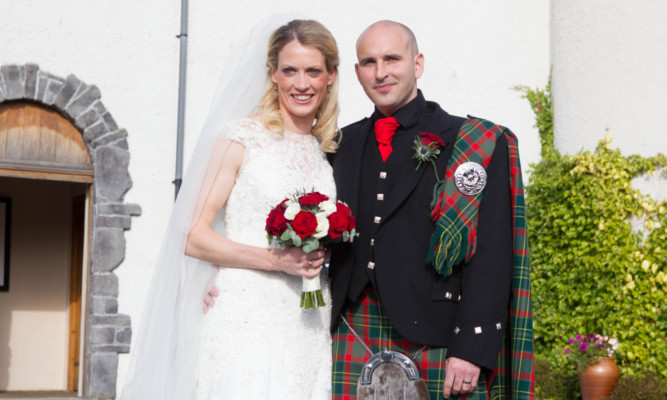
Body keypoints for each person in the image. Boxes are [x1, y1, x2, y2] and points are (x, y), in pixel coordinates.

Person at [121, 16, 339, 399]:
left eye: (312, 71)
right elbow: (191, 236)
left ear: (331, 76)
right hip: (246, 317)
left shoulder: (329, 150)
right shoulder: (241, 138)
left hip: (309, 320)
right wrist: (275, 259)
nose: (301, 84)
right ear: (272, 74)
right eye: (289, 70)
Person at [328, 21, 534, 399]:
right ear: (357, 73)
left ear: (417, 64)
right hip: (351, 326)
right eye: (369, 62)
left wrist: (471, 350)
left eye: (393, 59)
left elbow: (491, 254)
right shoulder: (341, 143)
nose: (381, 72)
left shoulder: (473, 142)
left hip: (439, 336)